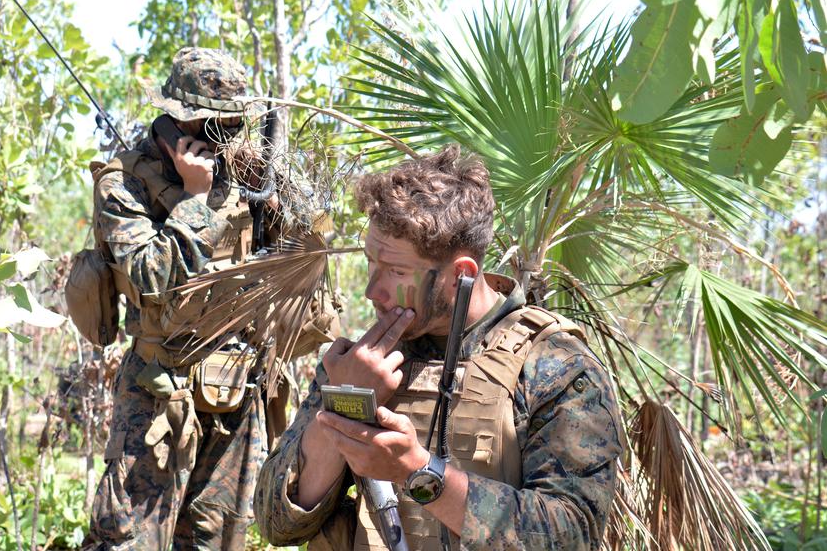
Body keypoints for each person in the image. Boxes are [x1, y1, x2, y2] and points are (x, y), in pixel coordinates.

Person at [254, 145, 625, 550]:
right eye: (371, 263)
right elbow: (279, 526)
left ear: (460, 274)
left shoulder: (556, 367)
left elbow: (571, 534)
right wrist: (343, 403)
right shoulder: (363, 364)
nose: (371, 291)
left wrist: (416, 472)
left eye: (396, 271)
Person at [85, 47, 332, 549]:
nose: (227, 139)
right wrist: (195, 202)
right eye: (213, 126)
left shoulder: (246, 173)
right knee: (129, 538)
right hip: (158, 392)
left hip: (237, 391)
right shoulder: (125, 185)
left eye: (233, 126)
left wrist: (287, 216)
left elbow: (301, 263)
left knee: (219, 539)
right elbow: (150, 275)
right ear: (178, 122)